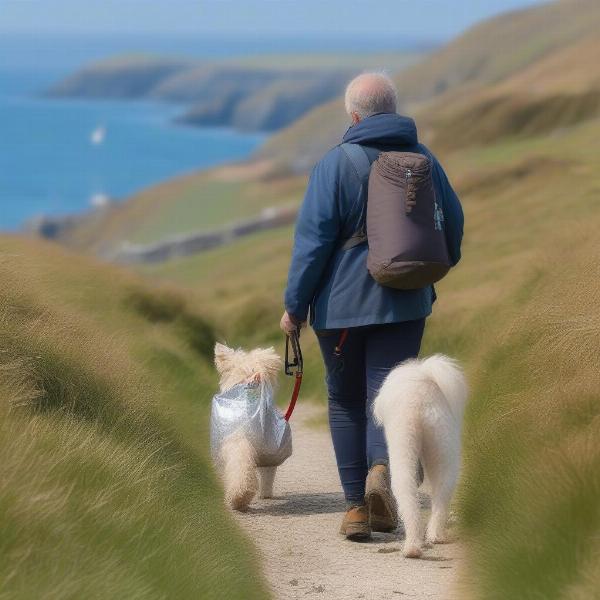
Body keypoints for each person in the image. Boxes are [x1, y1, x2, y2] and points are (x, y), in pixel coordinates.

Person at [280, 72, 464, 541]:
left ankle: (357, 508)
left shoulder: (335, 164)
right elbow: (453, 227)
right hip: (407, 303)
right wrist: (426, 275)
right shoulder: (424, 159)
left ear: (354, 115)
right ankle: (383, 469)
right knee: (392, 399)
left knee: (345, 403)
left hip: (342, 308)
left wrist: (294, 308)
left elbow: (313, 244)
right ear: (393, 109)